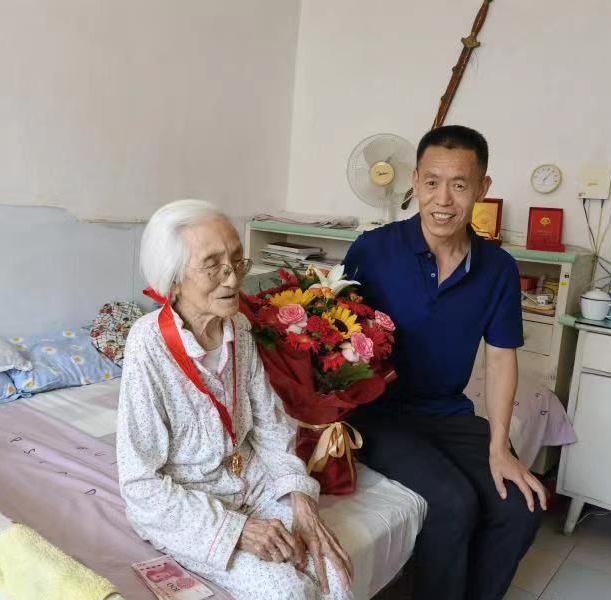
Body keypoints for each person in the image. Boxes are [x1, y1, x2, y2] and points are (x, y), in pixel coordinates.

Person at [344, 125, 546, 600]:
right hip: (377, 415)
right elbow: (333, 334)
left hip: (448, 414)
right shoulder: (373, 251)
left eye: (459, 185)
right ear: (414, 181)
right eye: (432, 182)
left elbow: (501, 358)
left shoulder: (498, 269)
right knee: (453, 503)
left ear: (482, 188)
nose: (443, 199)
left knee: (522, 506)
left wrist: (500, 446)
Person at [117, 199, 353, 600]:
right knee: (286, 591)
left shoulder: (238, 327)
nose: (232, 278)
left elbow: (269, 426)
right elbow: (140, 484)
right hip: (189, 503)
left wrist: (300, 498)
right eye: (213, 265)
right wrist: (238, 530)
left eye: (237, 261)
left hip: (249, 481)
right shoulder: (147, 344)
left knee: (334, 570)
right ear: (174, 280)